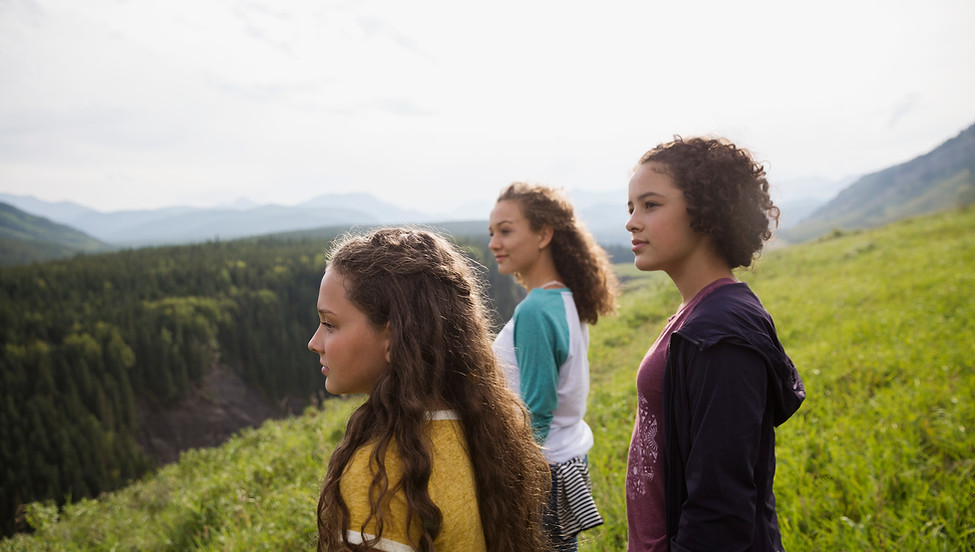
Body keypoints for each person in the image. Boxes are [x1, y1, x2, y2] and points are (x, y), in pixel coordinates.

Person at [308, 227, 551, 552]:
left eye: (330, 324)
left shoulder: (378, 479)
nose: (314, 342)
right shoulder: (486, 435)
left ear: (394, 337)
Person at [624, 136, 806, 551]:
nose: (633, 221)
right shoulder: (699, 312)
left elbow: (720, 506)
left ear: (706, 212)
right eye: (631, 207)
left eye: (650, 205)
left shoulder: (722, 333)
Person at [488, 182, 619, 551]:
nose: (494, 243)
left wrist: (513, 480)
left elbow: (538, 409)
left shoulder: (534, 310)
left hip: (541, 473)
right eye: (492, 232)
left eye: (506, 230)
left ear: (544, 234)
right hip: (565, 462)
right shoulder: (564, 298)